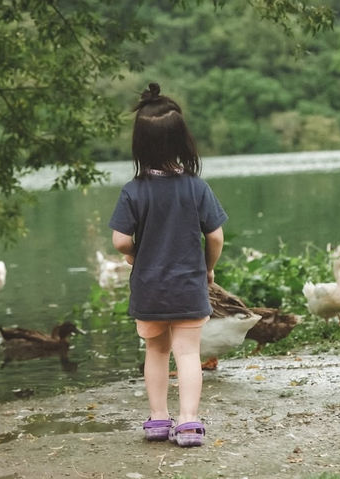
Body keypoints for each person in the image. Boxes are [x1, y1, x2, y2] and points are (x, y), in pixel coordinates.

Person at [108, 83, 227, 447]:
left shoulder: (133, 191)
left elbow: (120, 240)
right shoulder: (196, 188)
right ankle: (189, 423)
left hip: (149, 287)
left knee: (156, 351)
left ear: (139, 146)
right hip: (188, 285)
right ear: (182, 142)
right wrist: (207, 268)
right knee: (188, 353)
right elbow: (216, 237)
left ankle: (159, 420)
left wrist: (133, 255)